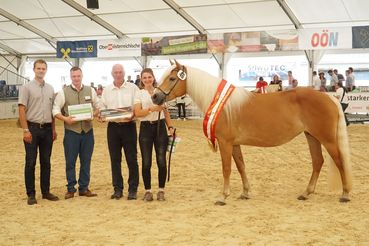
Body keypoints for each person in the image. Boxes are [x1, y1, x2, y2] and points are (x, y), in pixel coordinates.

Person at [53, 67, 99, 199]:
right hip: (71, 132)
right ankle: (71, 188)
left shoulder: (91, 90)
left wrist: (93, 115)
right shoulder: (63, 92)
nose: (76, 78)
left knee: (86, 161)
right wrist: (65, 119)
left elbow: (99, 106)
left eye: (78, 76)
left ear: (82, 76)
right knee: (70, 161)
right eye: (74, 76)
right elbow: (55, 110)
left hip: (87, 131)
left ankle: (84, 188)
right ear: (70, 77)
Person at [18, 59, 59, 205]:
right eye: (38, 68)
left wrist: (53, 129)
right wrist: (25, 130)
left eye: (43, 68)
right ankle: (31, 194)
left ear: (46, 70)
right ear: (34, 70)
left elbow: (52, 111)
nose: (41, 70)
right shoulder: (26, 88)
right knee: (30, 162)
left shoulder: (50, 88)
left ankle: (46, 191)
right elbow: (22, 109)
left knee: (46, 162)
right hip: (32, 128)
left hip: (47, 129)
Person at [133, 68, 175, 201]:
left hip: (160, 127)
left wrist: (170, 126)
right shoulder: (139, 94)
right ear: (141, 80)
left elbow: (166, 112)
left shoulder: (160, 92)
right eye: (144, 78)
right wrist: (152, 109)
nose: (147, 80)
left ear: (153, 77)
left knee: (161, 161)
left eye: (149, 77)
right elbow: (137, 113)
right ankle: (148, 191)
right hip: (145, 129)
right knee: (146, 162)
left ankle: (161, 190)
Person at [100, 64, 139, 200]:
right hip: (113, 128)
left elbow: (137, 106)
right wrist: (102, 115)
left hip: (129, 127)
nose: (118, 74)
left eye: (120, 72)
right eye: (115, 72)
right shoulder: (107, 90)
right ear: (112, 74)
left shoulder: (133, 88)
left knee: (132, 159)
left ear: (124, 73)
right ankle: (117, 189)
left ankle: (133, 190)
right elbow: (102, 106)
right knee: (115, 160)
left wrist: (132, 114)